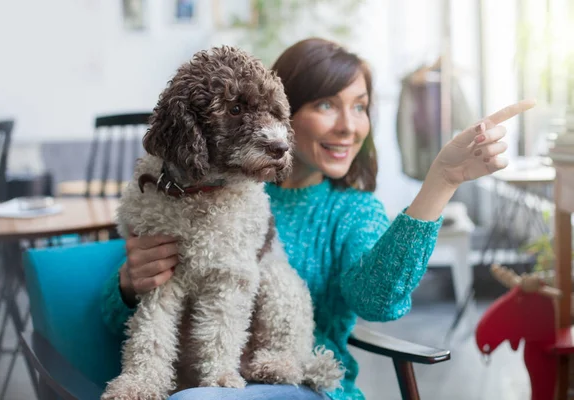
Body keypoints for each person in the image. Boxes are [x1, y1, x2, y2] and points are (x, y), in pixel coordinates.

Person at [100, 38, 534, 400]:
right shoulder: (203, 189)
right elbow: (109, 320)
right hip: (195, 381)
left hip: (302, 385)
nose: (349, 126)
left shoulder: (350, 210)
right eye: (327, 105)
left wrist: (442, 180)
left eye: (361, 107)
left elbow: (379, 303)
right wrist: (127, 284)